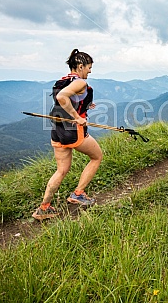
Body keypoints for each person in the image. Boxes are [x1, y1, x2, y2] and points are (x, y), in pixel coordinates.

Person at [32, 49, 103, 220]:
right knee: (97, 157)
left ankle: (44, 208)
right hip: (73, 131)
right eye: (89, 67)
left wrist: (85, 105)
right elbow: (63, 97)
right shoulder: (79, 83)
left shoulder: (62, 81)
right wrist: (77, 116)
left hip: (57, 130)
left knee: (61, 170)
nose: (90, 71)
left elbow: (65, 99)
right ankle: (78, 194)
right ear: (80, 66)